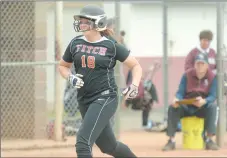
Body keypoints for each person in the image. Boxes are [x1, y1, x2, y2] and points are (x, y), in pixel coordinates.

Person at [58, 5, 142, 158]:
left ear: (99, 24)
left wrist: (134, 85)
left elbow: (135, 66)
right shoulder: (75, 43)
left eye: (86, 21)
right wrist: (71, 77)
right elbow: (63, 66)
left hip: (105, 97)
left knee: (83, 142)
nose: (82, 24)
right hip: (84, 99)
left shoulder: (110, 45)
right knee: (109, 147)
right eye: (81, 21)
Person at [162, 53, 219, 151]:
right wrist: (177, 99)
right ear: (194, 65)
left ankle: (209, 140)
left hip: (202, 107)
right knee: (172, 107)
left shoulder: (212, 77)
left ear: (207, 65)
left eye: (202, 64)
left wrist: (204, 101)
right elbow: (180, 92)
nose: (200, 66)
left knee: (212, 107)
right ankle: (171, 141)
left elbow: (213, 96)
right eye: (198, 64)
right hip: (187, 106)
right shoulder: (186, 75)